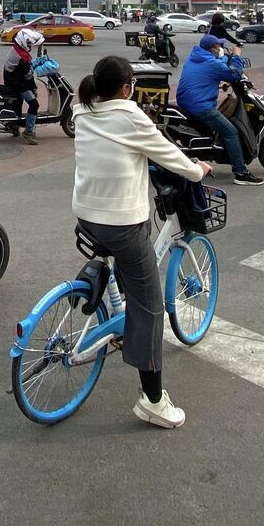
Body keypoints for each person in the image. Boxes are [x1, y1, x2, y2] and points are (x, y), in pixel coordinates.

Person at [72, 56, 213, 428]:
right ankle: (153, 400)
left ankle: (96, 282)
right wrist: (198, 169)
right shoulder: (131, 116)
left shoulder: (82, 113)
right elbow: (168, 153)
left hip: (86, 216)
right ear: (125, 88)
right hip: (122, 226)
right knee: (149, 307)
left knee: (127, 269)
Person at [175, 34, 263, 185]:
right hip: (200, 106)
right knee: (230, 132)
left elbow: (215, 64)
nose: (221, 49)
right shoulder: (211, 63)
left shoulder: (196, 57)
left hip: (187, 101)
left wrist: (223, 63)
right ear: (212, 49)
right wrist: (236, 55)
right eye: (219, 46)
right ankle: (240, 173)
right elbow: (235, 73)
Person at [4, 28, 45, 145]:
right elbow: (28, 76)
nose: (31, 46)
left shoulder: (16, 48)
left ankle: (14, 126)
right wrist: (34, 88)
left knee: (18, 103)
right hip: (18, 84)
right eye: (29, 44)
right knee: (34, 104)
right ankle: (28, 132)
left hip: (12, 81)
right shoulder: (21, 56)